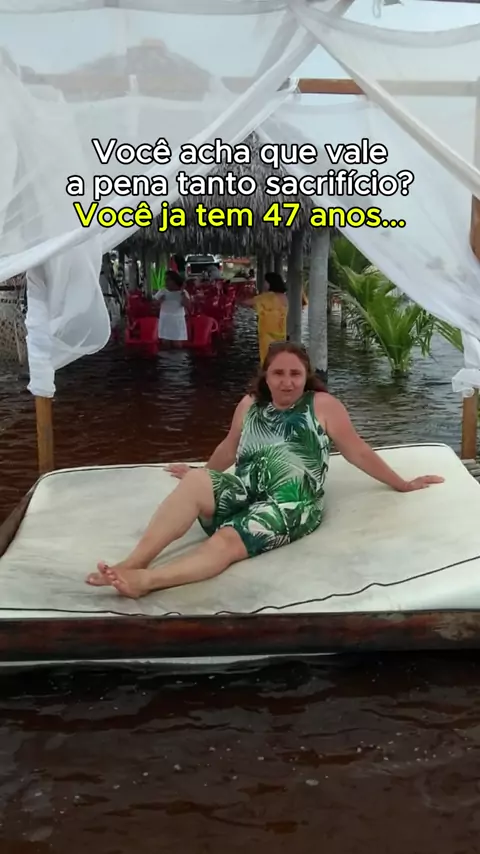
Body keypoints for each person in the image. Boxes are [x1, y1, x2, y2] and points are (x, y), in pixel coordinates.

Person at [86, 341, 445, 599]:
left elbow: (357, 451)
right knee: (195, 482)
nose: (287, 382)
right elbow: (229, 447)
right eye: (278, 373)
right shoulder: (249, 404)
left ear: (306, 376)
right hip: (245, 490)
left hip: (290, 505)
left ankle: (148, 582)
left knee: (226, 539)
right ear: (266, 376)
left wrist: (402, 483)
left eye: (295, 374)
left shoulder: (322, 405)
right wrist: (202, 472)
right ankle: (132, 563)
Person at [238, 271, 288, 364]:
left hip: (268, 335)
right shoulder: (284, 297)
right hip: (281, 333)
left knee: (267, 359)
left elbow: (246, 302)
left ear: (270, 283)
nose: (264, 284)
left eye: (265, 282)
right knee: (278, 358)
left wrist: (239, 296)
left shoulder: (267, 297)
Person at [154, 270, 190, 347]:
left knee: (177, 343)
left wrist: (182, 293)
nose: (166, 282)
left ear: (174, 281)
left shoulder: (183, 292)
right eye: (165, 280)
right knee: (165, 342)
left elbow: (186, 305)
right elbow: (153, 304)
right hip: (165, 319)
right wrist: (160, 301)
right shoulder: (162, 291)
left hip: (177, 320)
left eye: (168, 280)